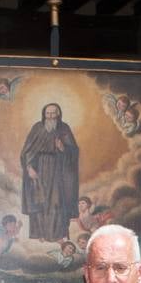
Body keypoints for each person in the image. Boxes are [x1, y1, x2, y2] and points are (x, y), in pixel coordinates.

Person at [20, 103, 80, 241]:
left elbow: (74, 151)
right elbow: (27, 150)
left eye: (54, 113)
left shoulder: (64, 128)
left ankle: (57, 235)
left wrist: (63, 148)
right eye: (48, 113)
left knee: (57, 201)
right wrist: (29, 168)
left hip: (58, 170)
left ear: (58, 114)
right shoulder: (37, 128)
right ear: (44, 114)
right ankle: (40, 234)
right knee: (39, 199)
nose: (51, 116)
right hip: (39, 167)